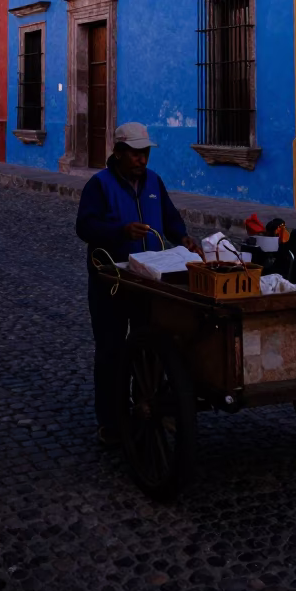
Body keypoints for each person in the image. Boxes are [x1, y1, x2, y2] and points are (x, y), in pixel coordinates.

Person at [75, 122, 202, 445]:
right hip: (113, 282)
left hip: (150, 282)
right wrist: (120, 231)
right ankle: (111, 422)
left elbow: (170, 218)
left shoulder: (154, 182)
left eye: (144, 153)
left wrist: (183, 237)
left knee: (149, 349)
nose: (141, 160)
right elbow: (85, 227)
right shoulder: (99, 185)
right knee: (111, 352)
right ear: (118, 153)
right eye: (135, 154)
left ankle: (147, 406)